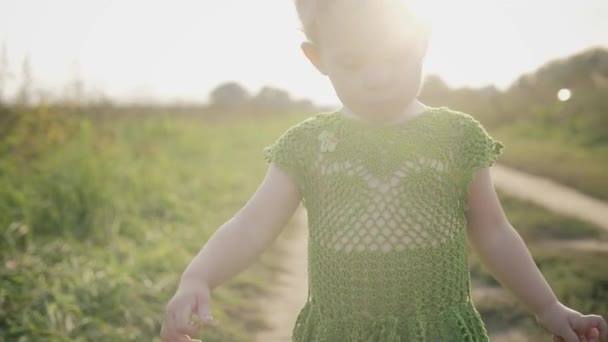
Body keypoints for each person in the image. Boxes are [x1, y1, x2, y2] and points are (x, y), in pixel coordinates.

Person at [160, 0, 608, 341]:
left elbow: (493, 232)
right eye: (353, 63)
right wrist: (198, 275)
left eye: (393, 57)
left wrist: (548, 308)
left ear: (421, 42)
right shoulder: (307, 145)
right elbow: (251, 224)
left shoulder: (456, 136)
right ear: (317, 60)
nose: (376, 78)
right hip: (339, 331)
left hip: (439, 329)